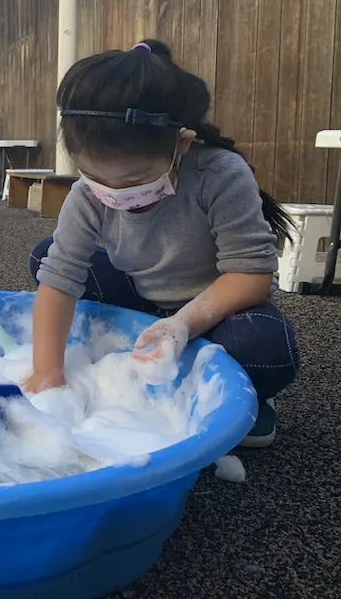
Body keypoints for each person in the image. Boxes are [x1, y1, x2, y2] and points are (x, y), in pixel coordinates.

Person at [26, 40, 299, 448]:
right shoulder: (88, 194)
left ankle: (243, 396)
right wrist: (47, 375)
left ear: (181, 145)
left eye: (134, 182)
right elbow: (59, 279)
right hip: (141, 297)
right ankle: (135, 342)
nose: (115, 193)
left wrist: (183, 325)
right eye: (95, 177)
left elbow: (252, 275)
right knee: (45, 255)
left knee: (265, 348)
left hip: (214, 310)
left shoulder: (219, 174)